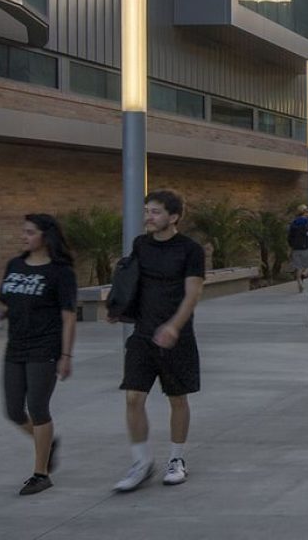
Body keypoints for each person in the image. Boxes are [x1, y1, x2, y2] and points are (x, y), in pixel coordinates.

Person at [114, 188, 204, 493]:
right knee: (132, 397)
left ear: (174, 216)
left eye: (155, 212)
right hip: (143, 334)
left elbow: (193, 293)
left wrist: (174, 326)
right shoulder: (141, 244)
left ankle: (177, 460)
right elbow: (133, 282)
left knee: (177, 398)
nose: (148, 218)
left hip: (176, 335)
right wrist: (119, 307)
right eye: (147, 211)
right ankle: (141, 462)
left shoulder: (190, 250)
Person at [0, 213, 78, 496]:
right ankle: (47, 442)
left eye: (30, 232)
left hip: (44, 347)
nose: (24, 236)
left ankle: (40, 473)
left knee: (38, 408)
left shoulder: (60, 271)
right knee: (13, 410)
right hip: (15, 347)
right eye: (24, 232)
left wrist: (66, 356)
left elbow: (68, 317)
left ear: (46, 236)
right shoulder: (15, 265)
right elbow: (6, 303)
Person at [287, 205, 308, 293]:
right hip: (306, 247)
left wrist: (291, 246)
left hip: (296, 248)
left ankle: (300, 283)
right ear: (305, 212)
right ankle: (304, 275)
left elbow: (289, 237)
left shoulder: (294, 223)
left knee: (299, 267)